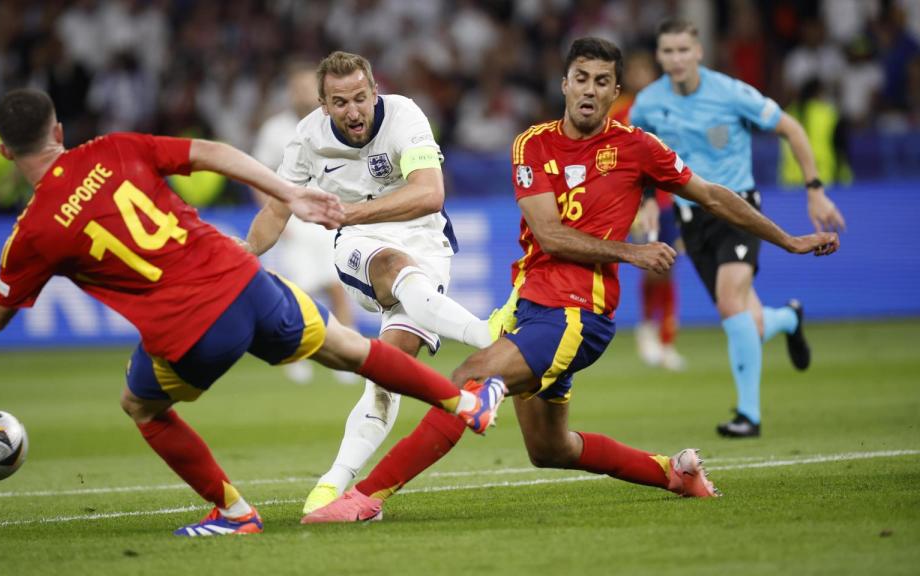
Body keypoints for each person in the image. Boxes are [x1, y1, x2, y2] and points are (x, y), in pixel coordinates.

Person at [0, 88, 507, 536]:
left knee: (140, 404)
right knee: (350, 347)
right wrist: (288, 191)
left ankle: (233, 512)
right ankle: (466, 402)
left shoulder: (30, 235)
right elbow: (211, 151)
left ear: (3, 150)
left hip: (190, 329)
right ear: (58, 130)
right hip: (245, 279)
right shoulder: (112, 149)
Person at [301, 37, 839, 524]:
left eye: (602, 82)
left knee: (466, 380)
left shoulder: (637, 147)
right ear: (565, 84)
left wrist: (788, 239)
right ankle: (675, 474)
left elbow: (716, 195)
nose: (590, 90)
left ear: (615, 92)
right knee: (550, 449)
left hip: (577, 316)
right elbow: (550, 235)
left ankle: (363, 498)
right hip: (528, 307)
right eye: (581, 78)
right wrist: (632, 251)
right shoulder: (532, 146)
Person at [245, 51, 493, 514]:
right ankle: (489, 336)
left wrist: (349, 210)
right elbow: (276, 210)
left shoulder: (404, 115)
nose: (353, 110)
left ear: (374, 92)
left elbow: (430, 193)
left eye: (361, 97)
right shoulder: (306, 139)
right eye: (340, 102)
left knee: (387, 376)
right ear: (323, 106)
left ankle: (332, 486)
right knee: (392, 265)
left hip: (427, 242)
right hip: (359, 244)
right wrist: (240, 258)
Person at [629, 20, 847, 437]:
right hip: (691, 219)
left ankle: (749, 415)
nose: (675, 59)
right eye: (667, 51)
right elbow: (637, 158)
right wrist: (644, 202)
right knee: (748, 322)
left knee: (730, 304)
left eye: (682, 50)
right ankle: (789, 319)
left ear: (699, 53)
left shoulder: (730, 93)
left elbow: (791, 128)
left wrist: (815, 189)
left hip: (740, 211)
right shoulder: (647, 105)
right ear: (659, 56)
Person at [250, 61, 358, 385]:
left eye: (305, 87)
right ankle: (295, 355)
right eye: (294, 87)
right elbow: (258, 175)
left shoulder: (332, 123)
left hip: (329, 216)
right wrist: (273, 219)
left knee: (339, 286)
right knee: (298, 290)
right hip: (293, 221)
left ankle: (350, 355)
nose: (300, 93)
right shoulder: (275, 129)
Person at [610, 50, 686, 371]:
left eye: (646, 70)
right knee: (652, 265)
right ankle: (647, 328)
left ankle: (666, 339)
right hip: (640, 204)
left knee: (668, 267)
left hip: (671, 200)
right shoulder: (620, 111)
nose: (641, 76)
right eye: (636, 71)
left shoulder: (670, 109)